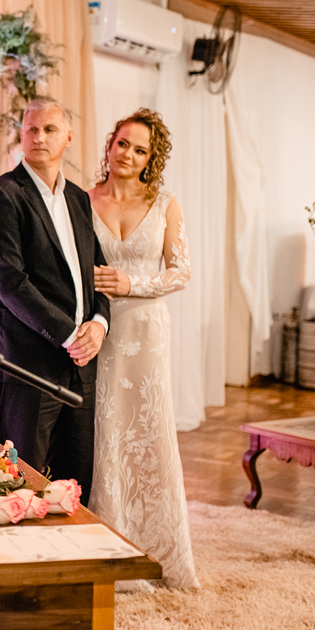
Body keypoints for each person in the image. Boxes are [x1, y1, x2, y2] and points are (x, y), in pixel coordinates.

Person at [0, 98, 110, 502]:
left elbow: (98, 272)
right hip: (29, 364)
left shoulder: (79, 199)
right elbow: (11, 283)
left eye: (50, 129)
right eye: (31, 129)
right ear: (22, 136)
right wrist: (71, 335)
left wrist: (99, 325)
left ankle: (69, 544)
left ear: (68, 137)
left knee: (75, 484)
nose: (39, 137)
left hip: (82, 365)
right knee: (19, 482)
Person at [88, 108, 199, 590]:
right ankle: (106, 548)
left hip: (148, 333)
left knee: (149, 431)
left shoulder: (165, 203)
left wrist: (133, 283)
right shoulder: (83, 200)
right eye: (123, 144)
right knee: (105, 431)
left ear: (151, 159)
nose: (129, 155)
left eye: (140, 150)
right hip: (101, 330)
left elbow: (181, 272)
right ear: (109, 145)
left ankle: (160, 550)